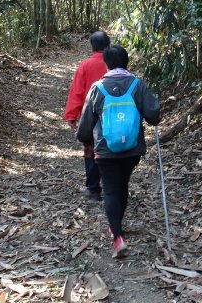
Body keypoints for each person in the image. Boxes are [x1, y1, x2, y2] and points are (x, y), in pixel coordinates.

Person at [77, 44, 160, 259]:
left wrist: (85, 140)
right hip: (132, 150)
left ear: (106, 63)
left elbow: (87, 122)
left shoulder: (98, 87)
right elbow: (153, 115)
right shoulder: (137, 85)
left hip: (105, 150)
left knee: (111, 189)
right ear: (127, 62)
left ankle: (117, 236)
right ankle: (116, 226)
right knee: (121, 185)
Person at [64, 31, 110, 201]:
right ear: (108, 45)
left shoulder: (85, 65)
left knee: (90, 149)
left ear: (92, 47)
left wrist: (72, 115)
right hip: (113, 114)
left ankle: (93, 188)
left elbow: (77, 91)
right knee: (110, 149)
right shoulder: (114, 62)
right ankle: (111, 187)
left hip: (90, 115)